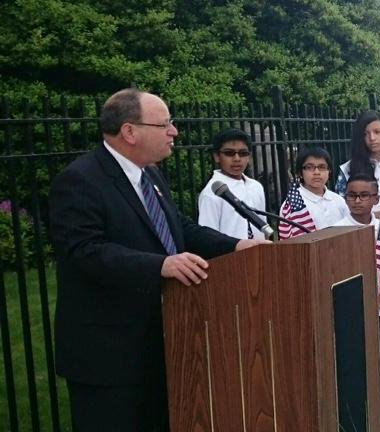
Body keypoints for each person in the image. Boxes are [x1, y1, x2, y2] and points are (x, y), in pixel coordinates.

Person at [50, 88, 266, 431]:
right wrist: (160, 265)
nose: (174, 131)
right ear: (130, 132)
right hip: (108, 357)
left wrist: (237, 246)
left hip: (160, 344)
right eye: (164, 124)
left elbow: (177, 227)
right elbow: (83, 252)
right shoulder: (80, 180)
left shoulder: (149, 173)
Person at [333, 173, 380, 421]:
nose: (358, 201)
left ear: (375, 198)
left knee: (378, 363)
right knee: (353, 364)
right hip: (350, 309)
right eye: (352, 195)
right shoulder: (336, 231)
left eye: (364, 195)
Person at [197, 128, 267, 240]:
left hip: (259, 253)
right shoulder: (212, 192)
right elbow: (208, 237)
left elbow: (263, 227)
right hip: (230, 255)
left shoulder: (256, 186)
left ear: (249, 156)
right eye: (229, 153)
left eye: (243, 153)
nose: (237, 159)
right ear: (217, 156)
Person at [285, 147, 350, 230]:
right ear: (300, 173)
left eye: (322, 167)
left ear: (329, 171)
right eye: (310, 167)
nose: (317, 172)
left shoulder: (338, 200)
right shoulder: (293, 204)